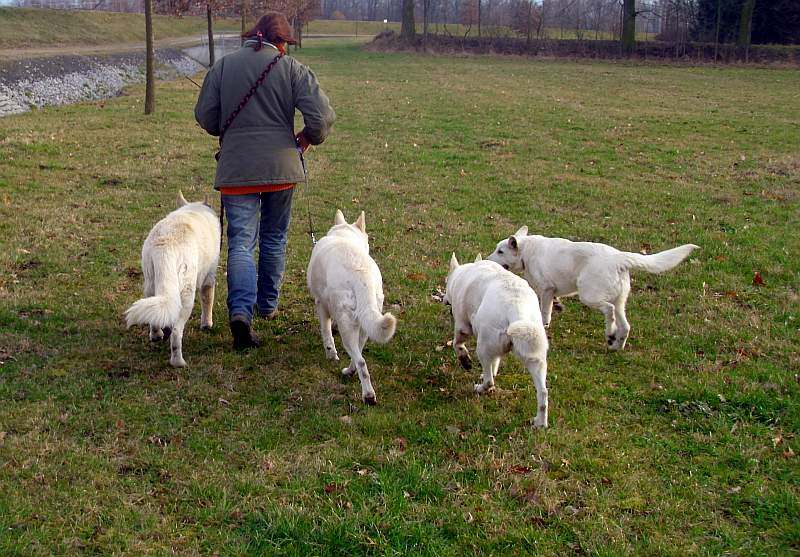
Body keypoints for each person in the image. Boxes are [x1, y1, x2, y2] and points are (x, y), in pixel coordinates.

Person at [194, 12, 335, 350]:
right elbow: (322, 117)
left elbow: (205, 115)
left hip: (236, 168)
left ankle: (240, 311)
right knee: (274, 237)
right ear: (281, 41)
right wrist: (305, 139)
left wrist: (229, 132)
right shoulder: (292, 68)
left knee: (241, 241)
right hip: (280, 170)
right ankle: (267, 305)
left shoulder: (224, 66)